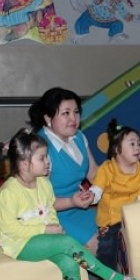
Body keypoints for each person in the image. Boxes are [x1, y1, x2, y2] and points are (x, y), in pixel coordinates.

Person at [0, 129, 138, 280]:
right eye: (42, 158)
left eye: (47, 157)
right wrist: (45, 229)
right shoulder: (9, 192)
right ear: (24, 164)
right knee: (67, 242)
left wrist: (53, 226)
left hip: (43, 239)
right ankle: (110, 276)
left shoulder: (44, 184)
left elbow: (50, 210)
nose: (48, 162)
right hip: (19, 243)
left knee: (70, 265)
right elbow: (8, 227)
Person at [28, 88, 99, 254]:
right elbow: (40, 202)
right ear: (48, 119)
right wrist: (72, 202)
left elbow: (94, 173)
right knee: (100, 246)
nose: (73, 118)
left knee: (118, 229)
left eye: (76, 112)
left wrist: (121, 185)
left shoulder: (78, 136)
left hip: (79, 207)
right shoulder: (41, 148)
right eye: (66, 113)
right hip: (51, 215)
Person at [89, 119, 140, 280]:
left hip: (132, 217)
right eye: (132, 144)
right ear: (117, 149)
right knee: (107, 247)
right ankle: (106, 278)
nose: (137, 147)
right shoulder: (106, 169)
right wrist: (90, 196)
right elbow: (97, 190)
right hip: (109, 219)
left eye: (139, 144)